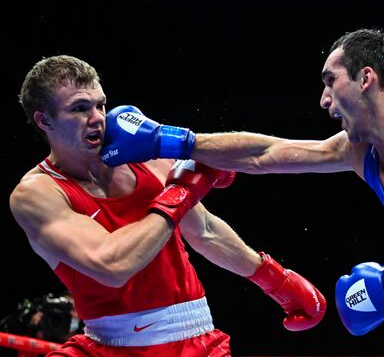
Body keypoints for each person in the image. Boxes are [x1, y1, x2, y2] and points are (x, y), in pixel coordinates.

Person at [100, 28, 384, 356]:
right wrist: (171, 141)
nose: (323, 99)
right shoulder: (364, 153)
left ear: (366, 78)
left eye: (330, 80)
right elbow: (267, 153)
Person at [10, 55, 327, 357]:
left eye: (100, 105)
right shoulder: (38, 193)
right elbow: (112, 265)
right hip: (104, 342)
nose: (96, 118)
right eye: (79, 108)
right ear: (44, 120)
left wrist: (275, 279)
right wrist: (180, 194)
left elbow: (204, 230)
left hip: (191, 339)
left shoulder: (140, 152)